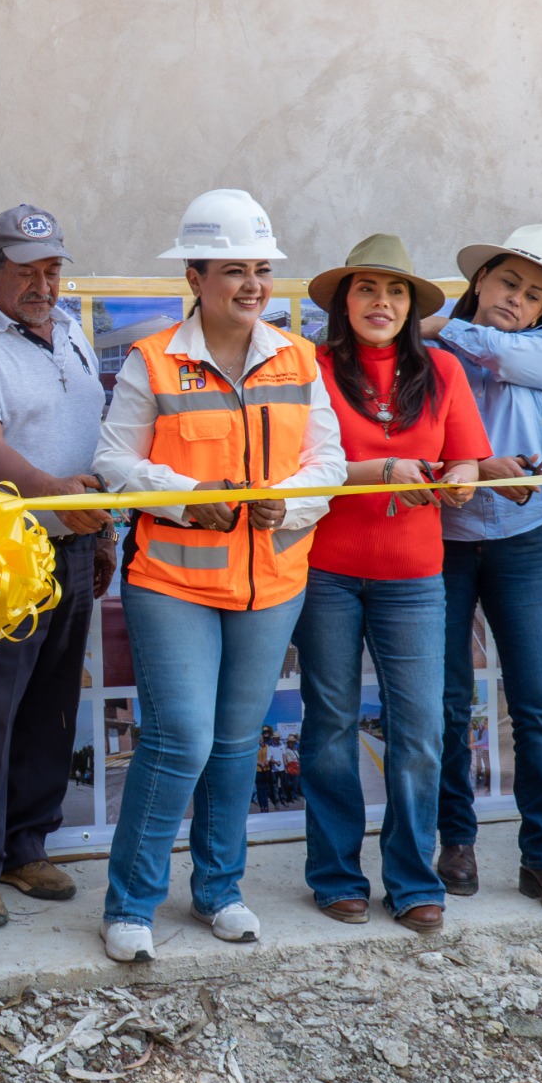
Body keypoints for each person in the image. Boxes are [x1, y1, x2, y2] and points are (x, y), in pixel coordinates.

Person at [91, 190, 344, 963]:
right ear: (194, 278)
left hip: (272, 583)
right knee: (181, 741)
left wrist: (290, 508)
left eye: (261, 270)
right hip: (173, 581)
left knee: (237, 744)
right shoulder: (154, 359)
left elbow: (326, 464)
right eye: (233, 270)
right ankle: (131, 904)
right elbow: (111, 463)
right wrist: (185, 498)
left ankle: (219, 891)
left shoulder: (299, 359)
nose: (252, 285)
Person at [296, 233, 485, 935]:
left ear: (411, 306)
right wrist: (379, 471)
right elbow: (296, 468)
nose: (382, 302)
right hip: (326, 573)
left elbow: (466, 458)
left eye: (396, 291)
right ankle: (336, 875)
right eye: (367, 289)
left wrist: (462, 482)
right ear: (344, 301)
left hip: (415, 576)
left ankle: (412, 877)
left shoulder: (442, 372)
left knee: (421, 731)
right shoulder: (309, 366)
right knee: (330, 726)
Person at [0, 205, 110, 930]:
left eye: (51, 269)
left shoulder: (71, 331)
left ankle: (24, 845)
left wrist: (101, 529)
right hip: (2, 553)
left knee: (51, 708)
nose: (42, 284)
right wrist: (54, 496)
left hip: (74, 543)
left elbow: (95, 438)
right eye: (25, 270)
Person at [418, 224, 542, 917]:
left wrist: (434, 325)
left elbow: (500, 353)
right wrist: (427, 331)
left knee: (538, 702)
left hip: (523, 536)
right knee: (449, 701)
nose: (515, 300)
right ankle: (455, 840)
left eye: (533, 294)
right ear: (480, 281)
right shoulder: (424, 350)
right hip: (447, 536)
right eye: (506, 283)